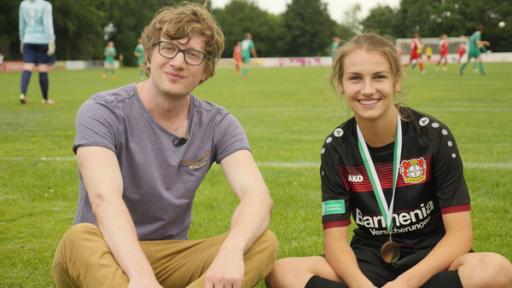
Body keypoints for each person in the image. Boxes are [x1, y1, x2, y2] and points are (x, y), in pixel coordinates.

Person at [52, 3, 276, 288]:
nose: (178, 62)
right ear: (149, 54)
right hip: (103, 251)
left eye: (193, 55)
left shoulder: (218, 123)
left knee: (261, 242)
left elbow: (257, 195)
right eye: (168, 48)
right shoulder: (103, 110)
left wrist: (231, 251)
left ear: (206, 70)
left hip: (168, 257)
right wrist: (140, 275)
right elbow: (104, 198)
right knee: (78, 238)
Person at [266, 32, 512, 288]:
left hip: (430, 259)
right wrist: (360, 285)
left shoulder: (433, 135)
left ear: (396, 80)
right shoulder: (336, 147)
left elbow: (460, 236)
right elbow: (335, 241)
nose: (368, 89)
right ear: (341, 84)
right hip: (369, 259)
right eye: (355, 78)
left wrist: (406, 283)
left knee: (496, 269)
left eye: (379, 77)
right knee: (281, 272)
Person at [18, 0, 56, 105]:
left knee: (27, 67)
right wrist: (51, 40)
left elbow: (22, 24)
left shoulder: (23, 4)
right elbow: (48, 24)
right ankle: (45, 99)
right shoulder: (46, 5)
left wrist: (22, 39)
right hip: (43, 40)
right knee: (43, 68)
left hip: (28, 39)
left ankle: (22, 94)